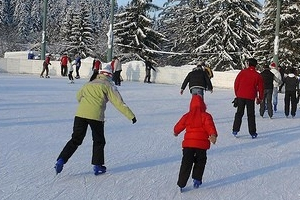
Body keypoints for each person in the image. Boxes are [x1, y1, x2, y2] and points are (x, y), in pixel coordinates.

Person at [54, 64, 137, 175]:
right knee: (98, 140)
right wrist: (131, 115)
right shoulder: (108, 85)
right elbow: (119, 103)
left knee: (75, 139)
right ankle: (97, 166)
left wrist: (86, 105)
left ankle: (61, 160)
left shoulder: (89, 83)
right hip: (96, 116)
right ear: (109, 75)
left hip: (80, 114)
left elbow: (78, 96)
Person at [173, 95, 217, 192]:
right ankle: (197, 179)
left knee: (186, 163)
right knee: (200, 161)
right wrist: (213, 135)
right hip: (201, 146)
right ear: (203, 105)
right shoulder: (206, 116)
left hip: (188, 145)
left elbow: (179, 125)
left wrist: (176, 132)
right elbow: (210, 126)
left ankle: (181, 183)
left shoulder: (187, 116)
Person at [232, 58, 264, 139]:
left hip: (241, 96)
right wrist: (260, 98)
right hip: (250, 97)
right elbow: (261, 88)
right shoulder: (257, 75)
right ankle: (252, 132)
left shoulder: (242, 72)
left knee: (239, 113)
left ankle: (235, 129)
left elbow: (236, 83)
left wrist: (237, 94)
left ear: (248, 64)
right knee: (250, 115)